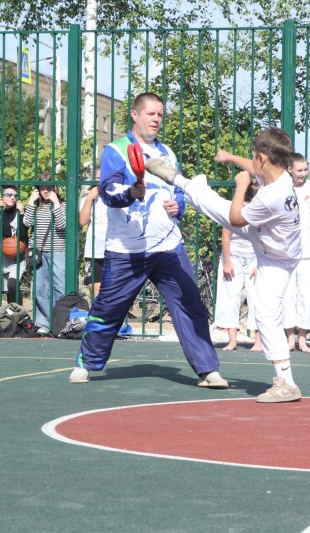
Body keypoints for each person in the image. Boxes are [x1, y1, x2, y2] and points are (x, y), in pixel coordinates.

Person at [69, 92, 228, 389]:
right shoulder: (116, 150)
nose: (156, 119)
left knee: (190, 304)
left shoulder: (166, 152)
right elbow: (107, 191)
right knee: (108, 308)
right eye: (151, 114)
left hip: (168, 246)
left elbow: (178, 191)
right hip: (126, 250)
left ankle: (208, 370)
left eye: (160, 115)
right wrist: (130, 193)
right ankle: (87, 363)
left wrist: (177, 207)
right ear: (135, 114)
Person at [147, 127, 303, 403]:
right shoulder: (280, 177)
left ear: (263, 158)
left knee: (266, 313)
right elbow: (253, 169)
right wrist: (233, 158)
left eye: (254, 158)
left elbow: (235, 217)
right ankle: (183, 182)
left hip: (275, 259)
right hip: (270, 241)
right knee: (212, 204)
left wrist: (241, 186)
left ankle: (286, 383)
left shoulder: (270, 196)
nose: (252, 163)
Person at [282, 153, 310, 352]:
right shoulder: (282, 187)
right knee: (288, 294)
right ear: (289, 169)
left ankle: (302, 337)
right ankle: (290, 337)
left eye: (305, 170)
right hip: (286, 252)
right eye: (299, 170)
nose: (303, 174)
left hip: (309, 252)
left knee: (306, 295)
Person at [212, 181, 260, 351]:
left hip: (256, 258)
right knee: (230, 296)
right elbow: (226, 236)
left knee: (257, 298)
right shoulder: (238, 209)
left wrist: (260, 264)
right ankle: (232, 340)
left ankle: (258, 341)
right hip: (233, 257)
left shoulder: (264, 212)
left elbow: (267, 239)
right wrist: (227, 263)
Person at [23, 173, 67, 335]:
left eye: (49, 187)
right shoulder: (36, 206)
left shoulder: (63, 205)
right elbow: (26, 223)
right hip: (38, 252)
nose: (46, 191)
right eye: (42, 188)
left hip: (58, 250)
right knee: (40, 288)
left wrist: (55, 203)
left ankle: (59, 322)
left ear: (55, 188)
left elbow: (62, 225)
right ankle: (44, 322)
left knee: (59, 287)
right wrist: (30, 202)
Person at [0, 185, 29, 304]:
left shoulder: (22, 212)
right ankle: (12, 317)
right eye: (9, 195)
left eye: (15, 196)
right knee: (8, 291)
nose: (13, 198)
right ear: (2, 197)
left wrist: (21, 213)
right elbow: (5, 230)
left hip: (18, 257)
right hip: (3, 258)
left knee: (13, 283)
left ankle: (20, 314)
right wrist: (1, 211)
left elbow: (22, 235)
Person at [79, 169, 109, 301]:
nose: (99, 180)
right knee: (97, 296)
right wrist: (90, 199)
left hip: (113, 250)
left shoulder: (117, 195)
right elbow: (83, 221)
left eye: (102, 177)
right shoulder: (88, 196)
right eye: (97, 177)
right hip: (94, 251)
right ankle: (99, 320)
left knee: (112, 294)